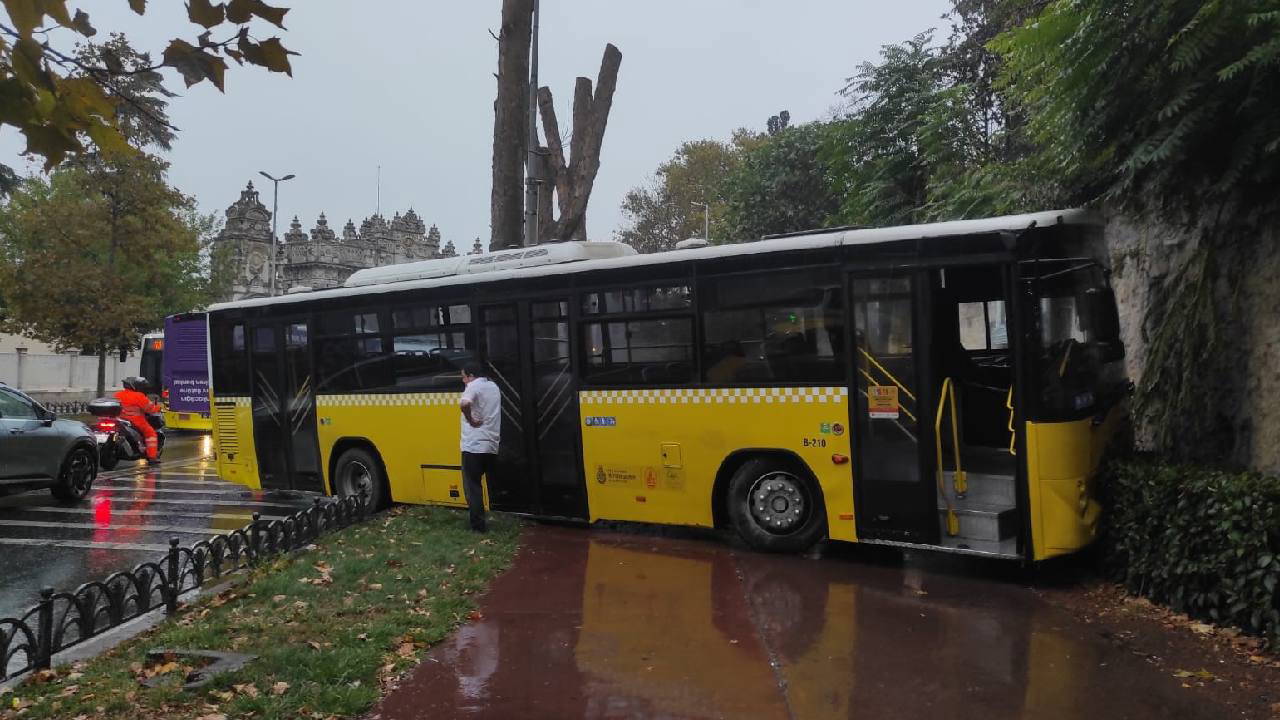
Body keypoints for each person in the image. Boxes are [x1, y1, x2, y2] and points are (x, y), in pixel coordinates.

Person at [459, 362, 501, 532]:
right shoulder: (493, 386)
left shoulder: (473, 386)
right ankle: (485, 517)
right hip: (491, 445)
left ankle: (478, 526)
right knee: (482, 483)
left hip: (473, 446)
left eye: (463, 376)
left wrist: (471, 420)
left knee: (473, 487)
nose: (463, 380)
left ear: (471, 376)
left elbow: (464, 404)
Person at [114, 376, 161, 465]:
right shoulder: (139, 396)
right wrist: (158, 408)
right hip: (135, 421)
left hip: (119, 420)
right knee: (151, 433)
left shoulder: (118, 394)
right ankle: (152, 457)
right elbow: (149, 409)